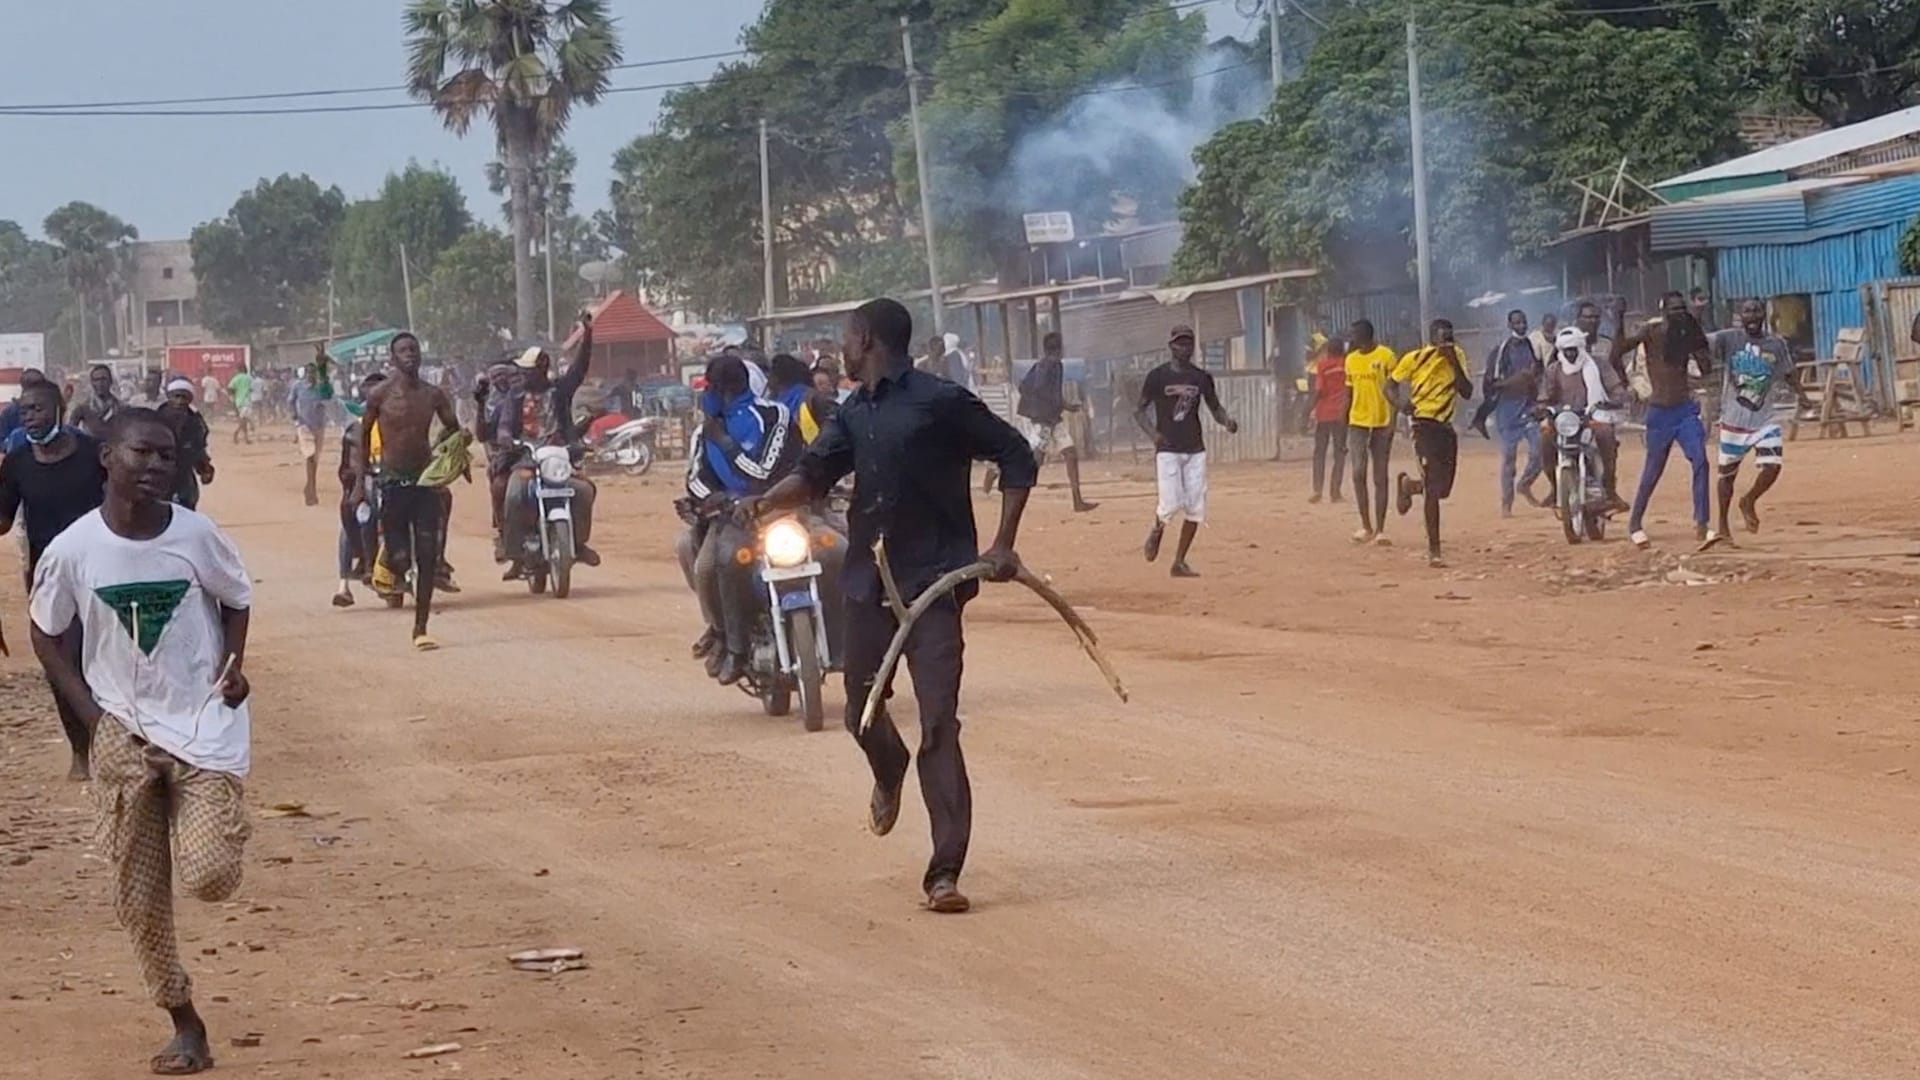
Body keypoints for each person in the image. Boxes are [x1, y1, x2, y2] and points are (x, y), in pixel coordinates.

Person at [744, 297, 1035, 914]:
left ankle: (944, 872)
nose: (841, 349)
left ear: (867, 338)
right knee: (860, 715)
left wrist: (1003, 544)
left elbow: (1017, 454)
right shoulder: (853, 411)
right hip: (868, 585)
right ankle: (887, 768)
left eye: (845, 338)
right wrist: (768, 503)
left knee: (939, 725)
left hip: (935, 585)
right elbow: (814, 473)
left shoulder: (942, 402)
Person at [28, 407, 254, 1077]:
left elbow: (237, 598)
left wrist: (234, 664)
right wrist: (92, 717)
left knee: (211, 874)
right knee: (139, 896)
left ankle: (218, 825)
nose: (157, 466)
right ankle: (185, 1023)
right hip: (121, 735)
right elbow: (46, 632)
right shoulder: (72, 550)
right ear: (108, 459)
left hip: (200, 724)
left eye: (167, 456)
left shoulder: (197, 536)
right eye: (143, 454)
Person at [0, 379, 107, 780]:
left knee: (102, 659)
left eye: (38, 410)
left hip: (102, 571)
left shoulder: (94, 454)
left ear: (59, 408)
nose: (30, 417)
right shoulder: (18, 463)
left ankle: (114, 743)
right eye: (24, 411)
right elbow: (4, 520)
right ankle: (81, 752)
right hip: (48, 577)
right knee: (60, 665)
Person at [683, 354, 803, 683]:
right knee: (712, 563)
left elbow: (764, 472)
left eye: (707, 389)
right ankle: (731, 642)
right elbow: (694, 478)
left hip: (782, 507)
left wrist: (725, 442)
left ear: (718, 390)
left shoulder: (772, 415)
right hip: (733, 516)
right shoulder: (702, 432)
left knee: (837, 550)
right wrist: (713, 497)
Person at [357, 332, 460, 651]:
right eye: (403, 350)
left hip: (424, 482)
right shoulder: (379, 395)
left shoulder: (434, 395)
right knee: (400, 556)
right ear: (393, 358)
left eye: (414, 349)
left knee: (427, 555)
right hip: (392, 482)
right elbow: (362, 438)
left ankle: (421, 627)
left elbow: (453, 429)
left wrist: (451, 456)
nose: (410, 355)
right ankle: (389, 566)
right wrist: (360, 484)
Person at [486, 312, 600, 577]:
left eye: (528, 370)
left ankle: (579, 544)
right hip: (523, 457)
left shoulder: (559, 391)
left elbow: (580, 368)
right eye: (521, 370)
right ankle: (513, 550)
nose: (522, 374)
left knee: (585, 491)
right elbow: (504, 424)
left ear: (541, 369)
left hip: (558, 458)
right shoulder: (515, 396)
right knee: (514, 492)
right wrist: (505, 437)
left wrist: (588, 333)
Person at [1701, 298, 1805, 550]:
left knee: (1772, 467)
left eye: (1756, 310)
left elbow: (1788, 373)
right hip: (1733, 421)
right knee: (1727, 476)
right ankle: (1723, 527)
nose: (1752, 315)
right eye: (1747, 311)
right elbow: (1701, 342)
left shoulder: (1776, 344)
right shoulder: (1728, 339)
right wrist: (1696, 313)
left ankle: (1748, 500)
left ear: (1764, 315)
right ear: (1740, 316)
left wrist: (1803, 395)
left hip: (1764, 419)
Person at [1137, 325, 1238, 577]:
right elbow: (1139, 410)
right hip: (1168, 449)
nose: (1184, 349)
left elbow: (1215, 407)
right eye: (1179, 344)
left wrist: (1226, 421)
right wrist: (1153, 435)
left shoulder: (1201, 377)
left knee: (1195, 508)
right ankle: (1158, 528)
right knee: (1170, 503)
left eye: (1188, 344)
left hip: (1195, 448)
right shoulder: (1157, 376)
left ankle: (1179, 561)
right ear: (1170, 346)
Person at [1620, 292, 1713, 548]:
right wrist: (1618, 319)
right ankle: (1635, 523)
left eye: (1681, 308)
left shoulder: (1686, 334)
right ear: (1663, 311)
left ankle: (1702, 523)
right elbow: (1618, 351)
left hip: (1684, 409)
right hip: (1660, 412)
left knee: (1700, 460)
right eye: (1673, 309)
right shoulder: (1651, 332)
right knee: (1652, 471)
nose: (1678, 313)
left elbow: (1706, 369)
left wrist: (1700, 345)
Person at [1388, 319, 1474, 567]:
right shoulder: (1415, 358)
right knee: (1434, 491)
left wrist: (1453, 361)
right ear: (1432, 338)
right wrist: (1400, 404)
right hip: (1422, 425)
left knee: (1442, 489)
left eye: (1450, 336)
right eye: (1443, 337)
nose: (1447, 341)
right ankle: (1434, 549)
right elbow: (1390, 384)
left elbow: (1467, 391)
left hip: (1445, 428)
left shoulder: (1457, 355)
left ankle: (1409, 486)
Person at [1003, 332, 1097, 512]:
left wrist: (1062, 405)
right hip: (1046, 421)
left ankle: (1077, 500)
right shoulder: (1054, 365)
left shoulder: (1040, 365)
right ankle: (1008, 483)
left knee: (1069, 453)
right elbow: (1043, 390)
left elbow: (1027, 387)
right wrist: (1061, 404)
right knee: (1036, 460)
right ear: (1059, 348)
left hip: (1051, 418)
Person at [1537, 325, 1627, 512]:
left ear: (1581, 348)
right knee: (1545, 437)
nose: (1570, 354)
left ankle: (1610, 490)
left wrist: (1614, 400)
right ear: (1560, 350)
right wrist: (1542, 410)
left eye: (1573, 350)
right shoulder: (1554, 369)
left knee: (1605, 436)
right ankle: (1555, 487)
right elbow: (1545, 396)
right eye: (1566, 350)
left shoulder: (1599, 364)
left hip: (1593, 416)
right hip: (1565, 420)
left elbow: (1616, 388)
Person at [1473, 310, 1545, 515]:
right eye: (1517, 323)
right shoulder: (1501, 350)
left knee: (1540, 449)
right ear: (1509, 325)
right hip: (1507, 410)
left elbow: (1536, 373)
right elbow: (1492, 384)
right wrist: (1518, 379)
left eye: (1524, 322)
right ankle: (1507, 503)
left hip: (1528, 408)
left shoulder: (1531, 346)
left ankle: (1525, 484)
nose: (1522, 326)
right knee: (1509, 459)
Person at [1343, 320, 1397, 545]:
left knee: (1380, 476)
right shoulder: (1351, 360)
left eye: (1354, 336)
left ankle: (1381, 529)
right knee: (1358, 472)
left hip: (1382, 422)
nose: (1352, 339)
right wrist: (1343, 422)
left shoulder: (1386, 356)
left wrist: (1394, 421)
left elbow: (1394, 390)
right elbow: (1349, 393)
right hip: (1358, 422)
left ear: (1365, 336)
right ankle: (1366, 525)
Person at [156, 380, 215, 510]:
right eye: (176, 396)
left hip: (184, 479)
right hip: (159, 478)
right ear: (169, 397)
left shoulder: (195, 422)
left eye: (184, 397)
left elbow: (199, 449)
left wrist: (205, 469)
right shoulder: (156, 419)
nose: (180, 401)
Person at [1306, 336, 1348, 503]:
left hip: (1323, 414)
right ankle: (1335, 492)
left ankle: (1317, 490)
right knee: (1340, 453)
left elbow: (1318, 390)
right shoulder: (1347, 364)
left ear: (1328, 350)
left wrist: (1307, 410)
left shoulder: (1322, 365)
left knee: (1319, 453)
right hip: (1341, 415)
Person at [289, 354, 334, 507]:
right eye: (309, 373)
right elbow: (291, 401)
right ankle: (311, 488)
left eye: (314, 373)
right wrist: (295, 418)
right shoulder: (298, 386)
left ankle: (310, 485)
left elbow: (329, 398)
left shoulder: (321, 387)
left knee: (316, 458)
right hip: (304, 426)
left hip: (319, 426)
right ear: (305, 374)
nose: (311, 376)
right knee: (310, 456)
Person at [69, 364, 124, 439]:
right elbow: (70, 432)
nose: (100, 383)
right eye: (96, 380)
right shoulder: (82, 408)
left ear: (110, 381)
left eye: (103, 379)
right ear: (92, 383)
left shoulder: (121, 407)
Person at [226, 366, 255, 445]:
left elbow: (230, 388)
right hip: (246, 401)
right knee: (245, 419)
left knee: (244, 420)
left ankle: (246, 438)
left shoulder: (235, 378)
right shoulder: (249, 378)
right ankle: (237, 433)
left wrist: (232, 397)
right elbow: (252, 388)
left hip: (238, 402)